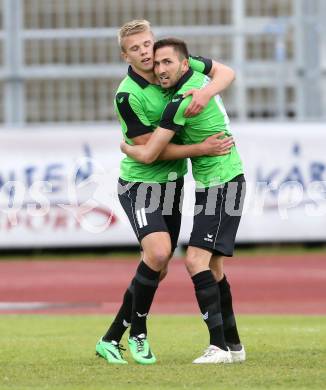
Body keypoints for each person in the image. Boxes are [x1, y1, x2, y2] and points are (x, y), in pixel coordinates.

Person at [95, 20, 235, 365]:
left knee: (159, 267)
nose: (145, 52)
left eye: (147, 44)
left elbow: (226, 73)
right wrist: (201, 149)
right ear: (125, 56)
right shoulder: (127, 95)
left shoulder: (170, 64)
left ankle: (112, 338)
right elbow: (148, 152)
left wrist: (205, 93)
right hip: (141, 183)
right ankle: (139, 334)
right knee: (158, 254)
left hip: (172, 185)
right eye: (136, 49)